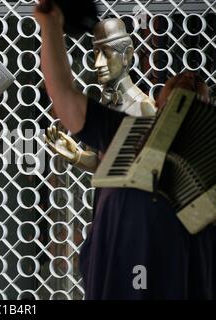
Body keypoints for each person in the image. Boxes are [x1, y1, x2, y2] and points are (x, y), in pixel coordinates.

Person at [34, 1, 214, 299]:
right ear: (160, 109)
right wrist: (50, 26)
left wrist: (50, 27)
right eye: (175, 106)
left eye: (194, 108)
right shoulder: (129, 133)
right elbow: (65, 98)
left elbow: (65, 98)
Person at [45, 18, 156, 172]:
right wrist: (76, 156)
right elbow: (100, 164)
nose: (97, 63)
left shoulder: (145, 108)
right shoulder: (100, 107)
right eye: (96, 53)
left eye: (107, 54)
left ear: (127, 54)